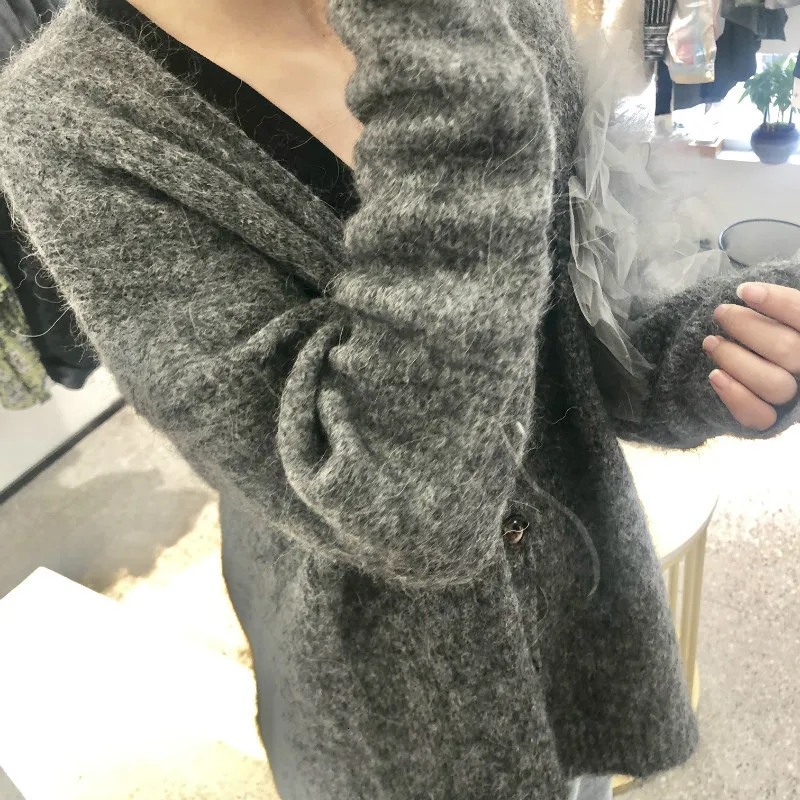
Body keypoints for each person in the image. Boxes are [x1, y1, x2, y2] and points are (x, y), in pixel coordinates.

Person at [0, 1, 799, 798]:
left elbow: (559, 315)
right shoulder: (74, 118)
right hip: (384, 695)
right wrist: (454, 82)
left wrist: (698, 353)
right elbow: (407, 506)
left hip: (578, 598)